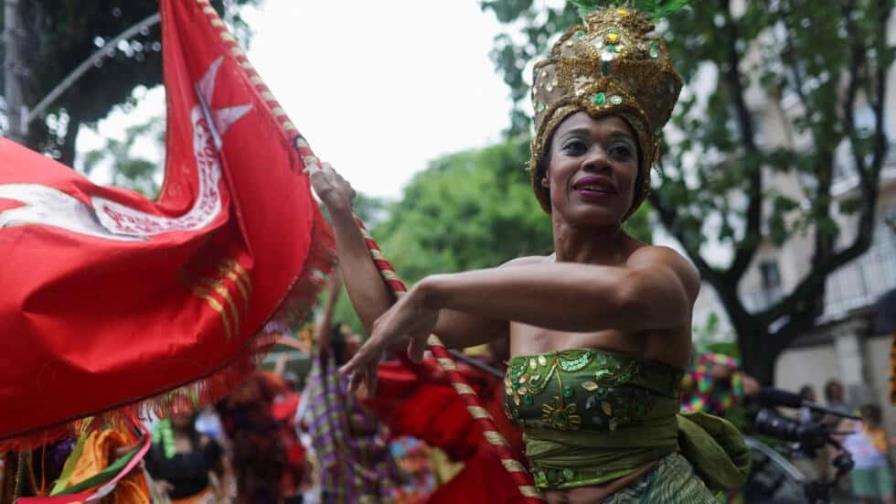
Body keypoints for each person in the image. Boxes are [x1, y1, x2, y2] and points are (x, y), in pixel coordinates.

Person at [308, 5, 749, 503]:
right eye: (577, 145)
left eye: (621, 151)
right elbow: (392, 318)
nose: (599, 160)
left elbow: (623, 299)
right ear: (545, 171)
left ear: (636, 183)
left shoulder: (659, 269)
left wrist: (434, 288)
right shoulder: (521, 281)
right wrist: (342, 216)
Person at [145, 409, 225, 503]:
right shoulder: (154, 448)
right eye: (176, 406)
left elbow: (224, 472)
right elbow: (145, 480)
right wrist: (154, 487)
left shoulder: (206, 442)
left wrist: (224, 497)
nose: (182, 411)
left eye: (187, 406)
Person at [844, 404, 895, 504]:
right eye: (868, 417)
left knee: (888, 497)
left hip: (880, 467)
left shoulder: (879, 431)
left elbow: (884, 448)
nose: (872, 421)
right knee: (866, 499)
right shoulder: (852, 425)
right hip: (860, 467)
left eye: (875, 418)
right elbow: (838, 438)